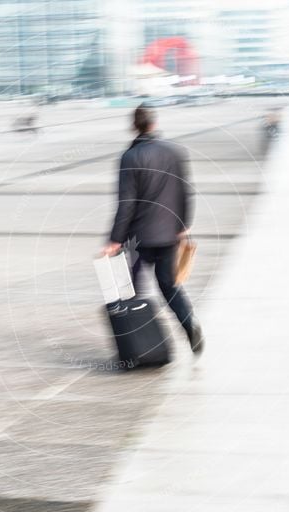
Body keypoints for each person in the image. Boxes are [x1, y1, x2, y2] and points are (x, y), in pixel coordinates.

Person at [101, 105, 204, 354]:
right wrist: (183, 224)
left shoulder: (130, 157)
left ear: (134, 126)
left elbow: (126, 203)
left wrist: (116, 239)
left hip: (138, 239)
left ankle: (141, 344)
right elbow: (184, 191)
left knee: (131, 291)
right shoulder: (175, 152)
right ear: (154, 124)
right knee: (169, 286)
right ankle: (189, 325)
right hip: (169, 235)